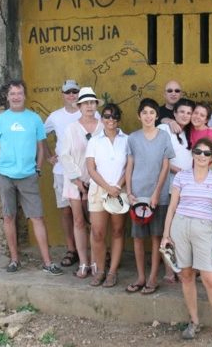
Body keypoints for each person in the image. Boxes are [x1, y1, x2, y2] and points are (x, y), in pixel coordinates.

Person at [161, 138, 212, 344]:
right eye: (198, 151)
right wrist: (165, 234)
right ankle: (194, 321)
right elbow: (172, 206)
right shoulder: (181, 176)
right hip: (180, 225)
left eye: (207, 153)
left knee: (209, 278)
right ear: (193, 153)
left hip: (204, 227)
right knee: (187, 275)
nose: (201, 156)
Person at [0, 79, 63, 275]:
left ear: (24, 95)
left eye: (19, 93)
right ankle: (14, 260)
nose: (16, 97)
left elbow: (40, 146)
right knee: (9, 217)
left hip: (28, 175)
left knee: (37, 217)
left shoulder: (34, 119)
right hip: (5, 175)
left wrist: (38, 168)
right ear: (7, 96)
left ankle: (47, 262)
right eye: (12, 93)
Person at [124, 98, 175, 294]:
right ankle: (140, 277)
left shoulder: (164, 137)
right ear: (139, 115)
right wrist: (129, 192)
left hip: (158, 196)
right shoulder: (133, 138)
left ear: (157, 115)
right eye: (144, 112)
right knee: (138, 238)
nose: (148, 116)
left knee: (155, 237)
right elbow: (129, 166)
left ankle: (153, 277)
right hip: (137, 195)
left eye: (152, 112)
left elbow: (165, 167)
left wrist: (156, 193)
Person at [44, 79, 96, 268]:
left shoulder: (95, 117)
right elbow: (41, 135)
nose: (71, 95)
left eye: (75, 91)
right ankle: (72, 249)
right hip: (64, 173)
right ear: (63, 94)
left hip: (91, 175)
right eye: (68, 92)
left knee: (92, 214)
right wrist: (49, 156)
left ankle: (96, 253)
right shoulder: (56, 116)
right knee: (68, 213)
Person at [59, 87, 104, 278]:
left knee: (96, 224)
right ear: (79, 106)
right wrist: (78, 180)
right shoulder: (71, 129)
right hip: (75, 182)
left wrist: (95, 180)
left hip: (97, 182)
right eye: (86, 103)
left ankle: (96, 261)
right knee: (78, 221)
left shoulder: (103, 126)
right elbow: (64, 155)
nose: (89, 106)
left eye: (92, 103)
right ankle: (83, 262)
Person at [85, 103, 128, 288]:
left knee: (118, 231)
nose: (111, 119)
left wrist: (117, 185)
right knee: (98, 233)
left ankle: (112, 272)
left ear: (119, 119)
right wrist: (107, 187)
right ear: (102, 118)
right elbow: (90, 168)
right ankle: (100, 269)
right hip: (99, 190)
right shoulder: (94, 141)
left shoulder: (127, 140)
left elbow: (129, 167)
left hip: (120, 190)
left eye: (114, 116)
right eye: (107, 116)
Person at [157, 98, 195, 284]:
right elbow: (158, 154)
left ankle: (185, 268)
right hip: (170, 184)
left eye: (189, 113)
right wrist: (167, 121)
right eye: (181, 112)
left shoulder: (193, 131)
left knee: (185, 230)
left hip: (190, 187)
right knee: (170, 228)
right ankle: (169, 269)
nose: (185, 116)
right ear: (174, 113)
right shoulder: (165, 129)